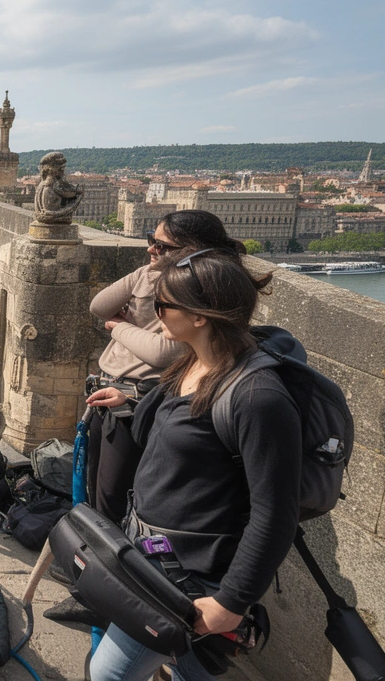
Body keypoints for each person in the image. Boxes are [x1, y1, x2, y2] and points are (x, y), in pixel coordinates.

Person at [85, 249, 298, 681]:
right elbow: (186, 429)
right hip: (151, 556)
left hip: (194, 578)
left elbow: (275, 513)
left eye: (162, 305)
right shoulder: (190, 363)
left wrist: (232, 603)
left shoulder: (258, 397)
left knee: (108, 674)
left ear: (200, 316)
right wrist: (133, 402)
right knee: (191, 672)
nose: (152, 313)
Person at [85, 209, 244, 523]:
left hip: (140, 399)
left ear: (193, 249)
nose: (150, 250)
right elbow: (99, 306)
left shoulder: (205, 290)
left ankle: (105, 562)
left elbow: (163, 352)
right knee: (94, 486)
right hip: (111, 389)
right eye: (150, 241)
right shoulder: (149, 274)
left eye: (162, 246)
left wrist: (118, 328)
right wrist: (147, 274)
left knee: (113, 497)